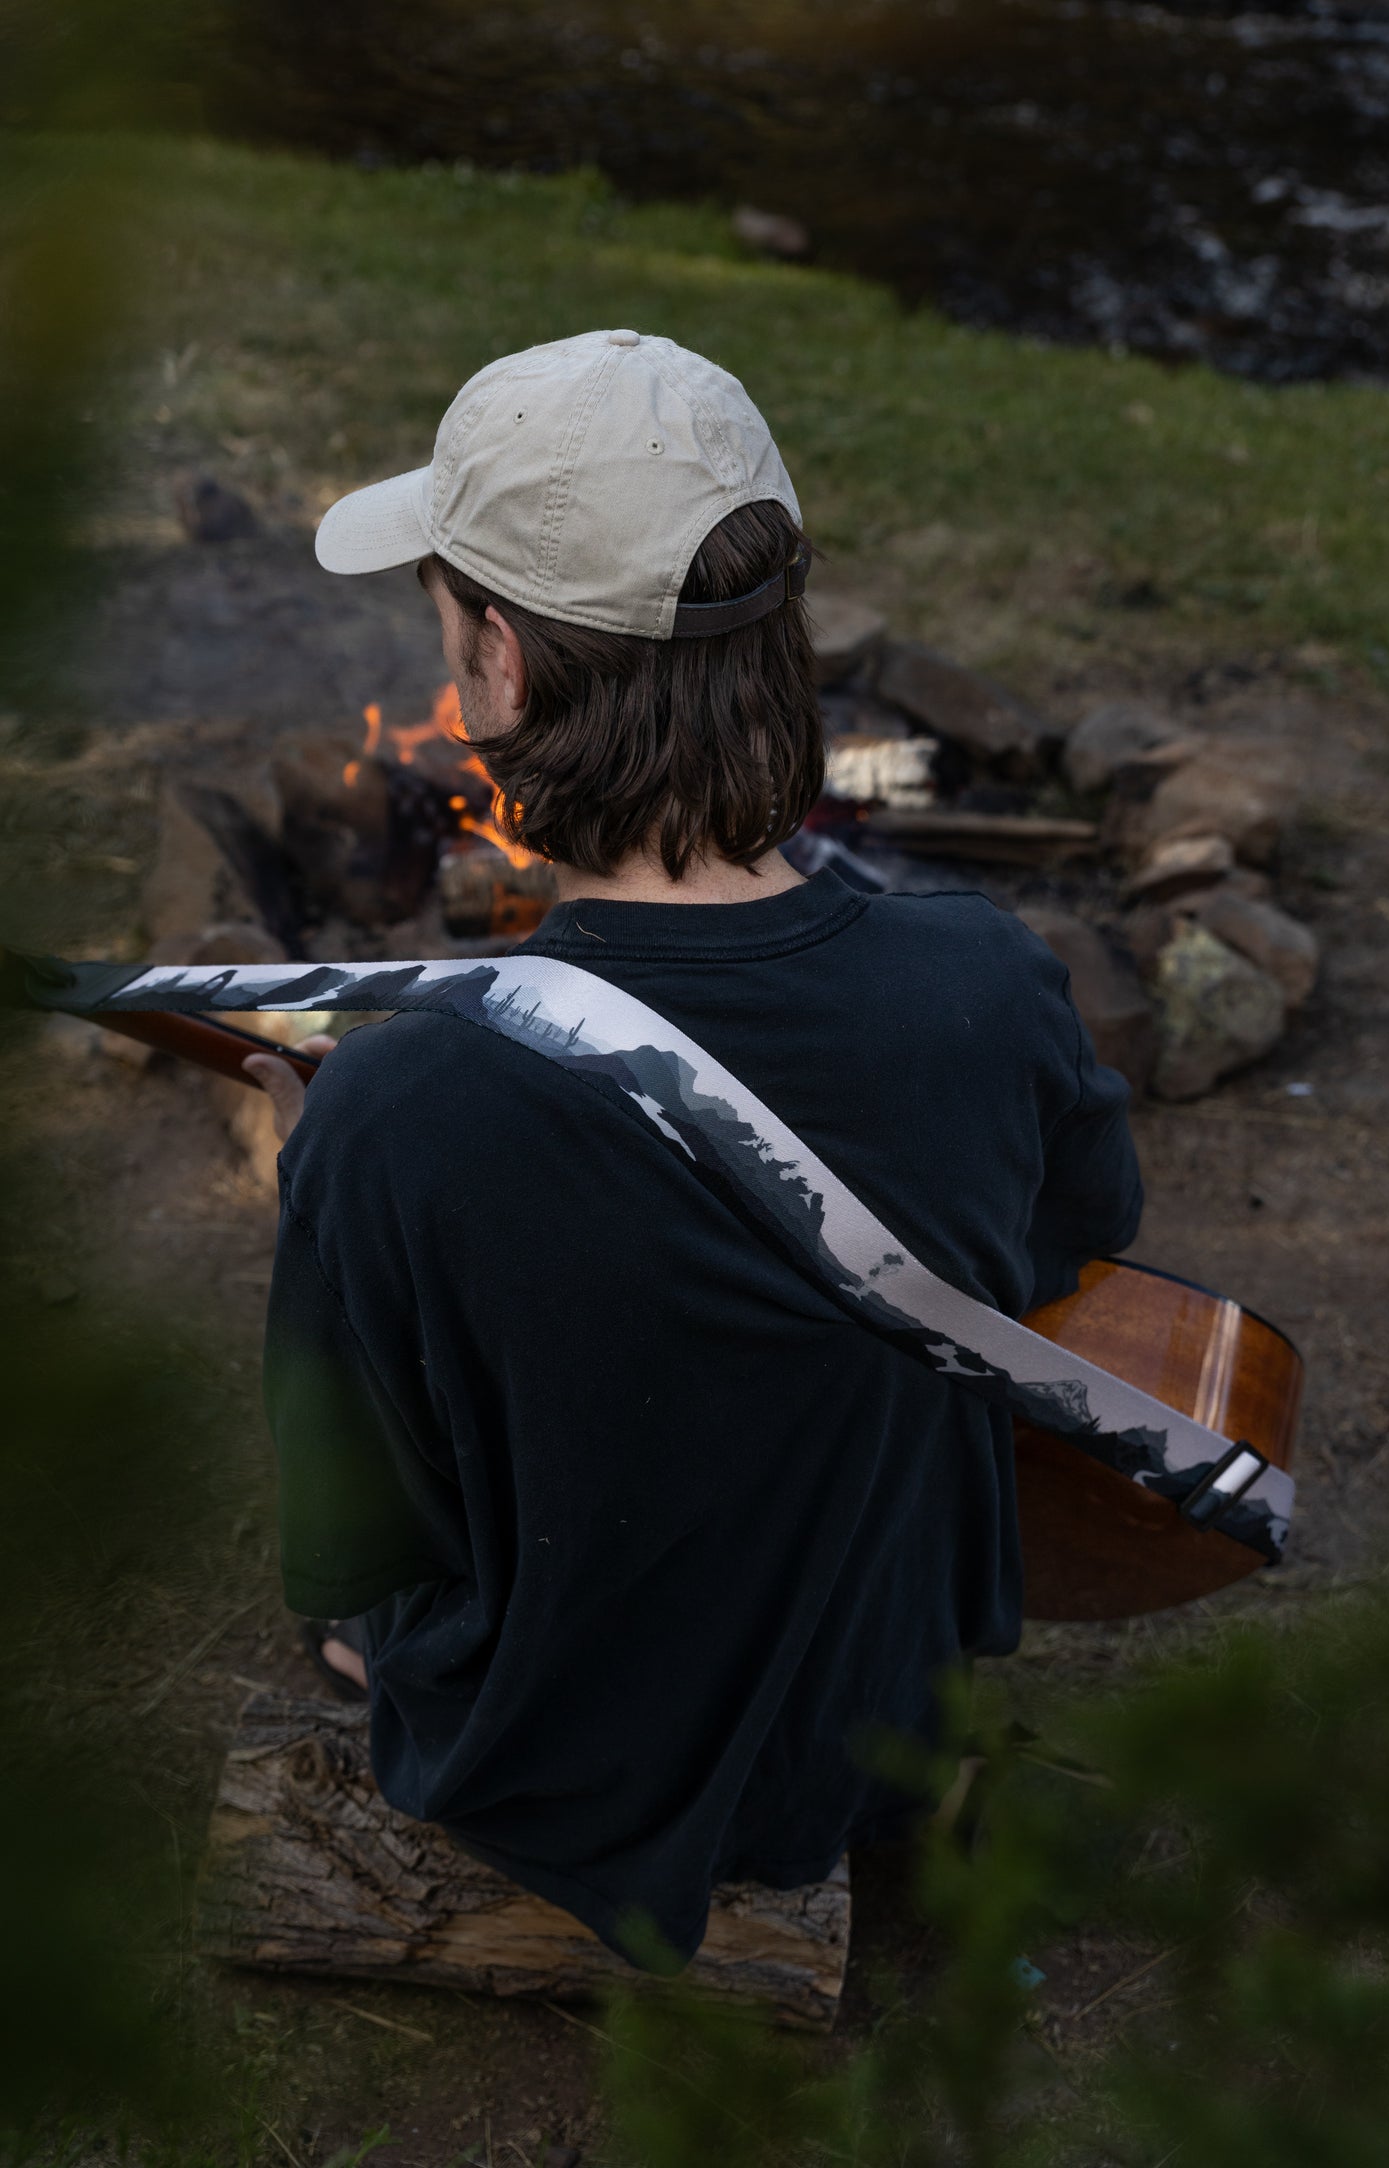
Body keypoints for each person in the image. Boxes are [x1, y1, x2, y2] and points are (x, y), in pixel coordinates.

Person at [244, 329, 1142, 1966]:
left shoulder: (400, 1105)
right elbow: (1067, 1252)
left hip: (570, 1781)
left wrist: (328, 1186)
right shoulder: (988, 982)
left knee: (366, 1606)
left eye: (449, 632)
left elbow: (352, 1545)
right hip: (885, 1704)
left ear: (502, 665)